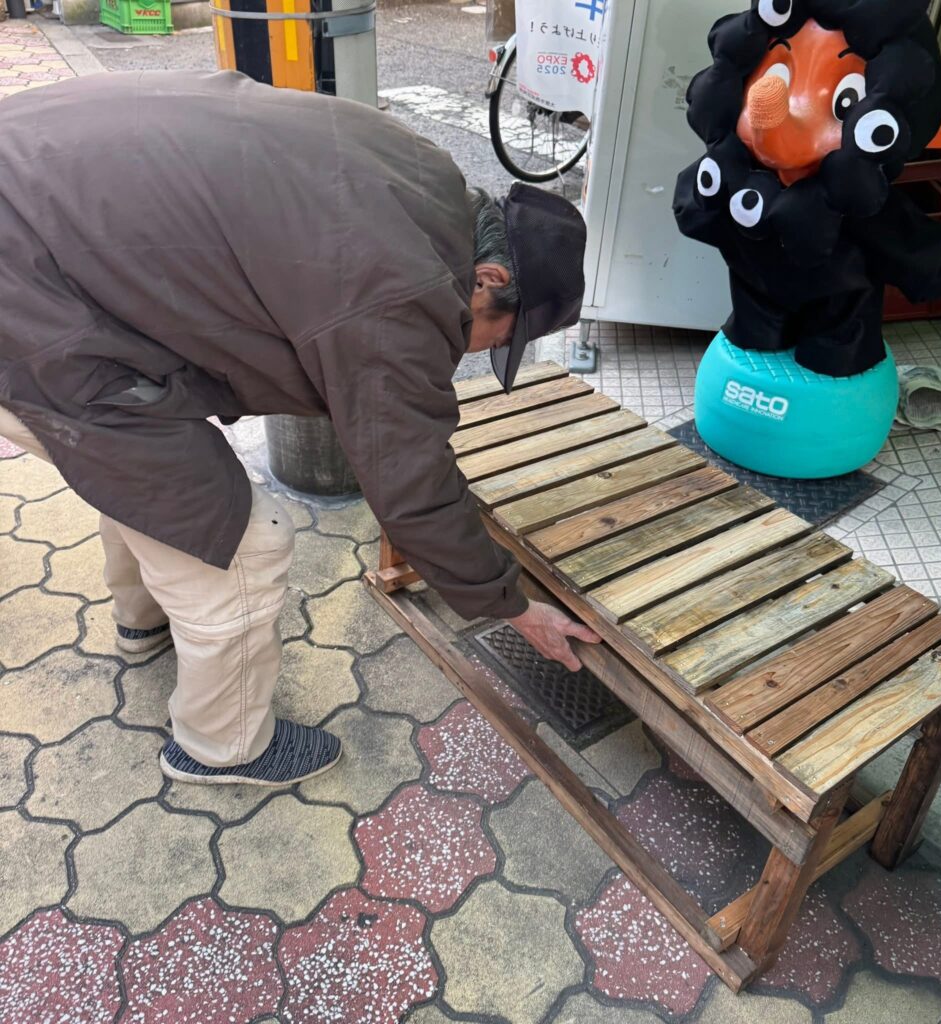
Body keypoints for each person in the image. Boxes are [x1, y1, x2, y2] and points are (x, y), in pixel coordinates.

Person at [0, 69, 601, 788]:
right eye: (496, 338)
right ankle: (221, 746)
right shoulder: (405, 288)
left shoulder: (420, 172)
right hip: (31, 303)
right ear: (490, 280)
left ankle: (145, 621)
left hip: (38, 194)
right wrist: (512, 606)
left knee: (151, 480)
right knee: (242, 542)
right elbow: (410, 484)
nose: (476, 352)